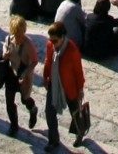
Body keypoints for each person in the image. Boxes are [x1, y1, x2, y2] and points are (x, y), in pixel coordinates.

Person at [40, 23, 85, 151]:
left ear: (62, 37)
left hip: (69, 87)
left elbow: (78, 71)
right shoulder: (50, 45)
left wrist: (80, 89)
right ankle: (53, 140)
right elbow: (48, 61)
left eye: (55, 40)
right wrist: (45, 77)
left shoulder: (72, 50)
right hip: (54, 84)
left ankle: (79, 132)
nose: (52, 43)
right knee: (49, 112)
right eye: (51, 40)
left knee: (75, 112)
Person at [0, 14, 40, 136]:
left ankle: (33, 110)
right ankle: (14, 126)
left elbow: (35, 61)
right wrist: (4, 55)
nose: (19, 37)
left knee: (25, 99)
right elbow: (4, 51)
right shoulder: (8, 40)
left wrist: (27, 72)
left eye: (21, 34)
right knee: (9, 102)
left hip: (24, 76)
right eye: (16, 34)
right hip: (11, 75)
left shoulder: (28, 44)